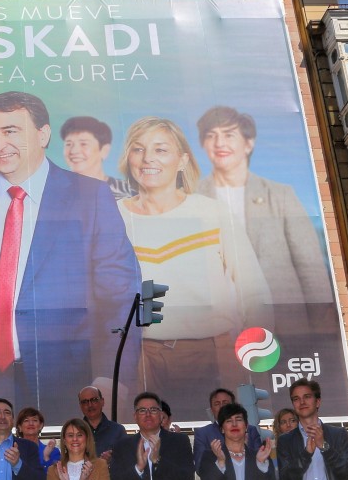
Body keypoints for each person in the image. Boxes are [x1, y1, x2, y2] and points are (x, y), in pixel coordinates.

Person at [0, 91, 141, 409]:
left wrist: (113, 376)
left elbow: (121, 294)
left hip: (66, 378)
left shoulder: (89, 196)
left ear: (43, 134)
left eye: (10, 131)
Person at [115, 117, 272, 411]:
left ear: (182, 160)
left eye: (161, 149)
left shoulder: (210, 212)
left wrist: (258, 364)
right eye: (138, 149)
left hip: (212, 353)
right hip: (140, 357)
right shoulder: (114, 216)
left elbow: (253, 291)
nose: (148, 158)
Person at [194, 106, 332, 309]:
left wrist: (321, 317)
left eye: (229, 135)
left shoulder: (280, 195)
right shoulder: (191, 198)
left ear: (248, 144)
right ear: (203, 144)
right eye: (211, 136)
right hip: (217, 320)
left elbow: (310, 265)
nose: (219, 143)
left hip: (284, 317)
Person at [61, 116, 134, 199]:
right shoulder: (54, 193)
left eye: (83, 144)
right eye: (68, 144)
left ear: (104, 150)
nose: (74, 151)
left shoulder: (130, 192)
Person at [192, 389, 262, 475]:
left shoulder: (251, 430)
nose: (221, 406)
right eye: (217, 404)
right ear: (211, 409)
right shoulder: (202, 433)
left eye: (225, 403)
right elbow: (200, 468)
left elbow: (261, 462)